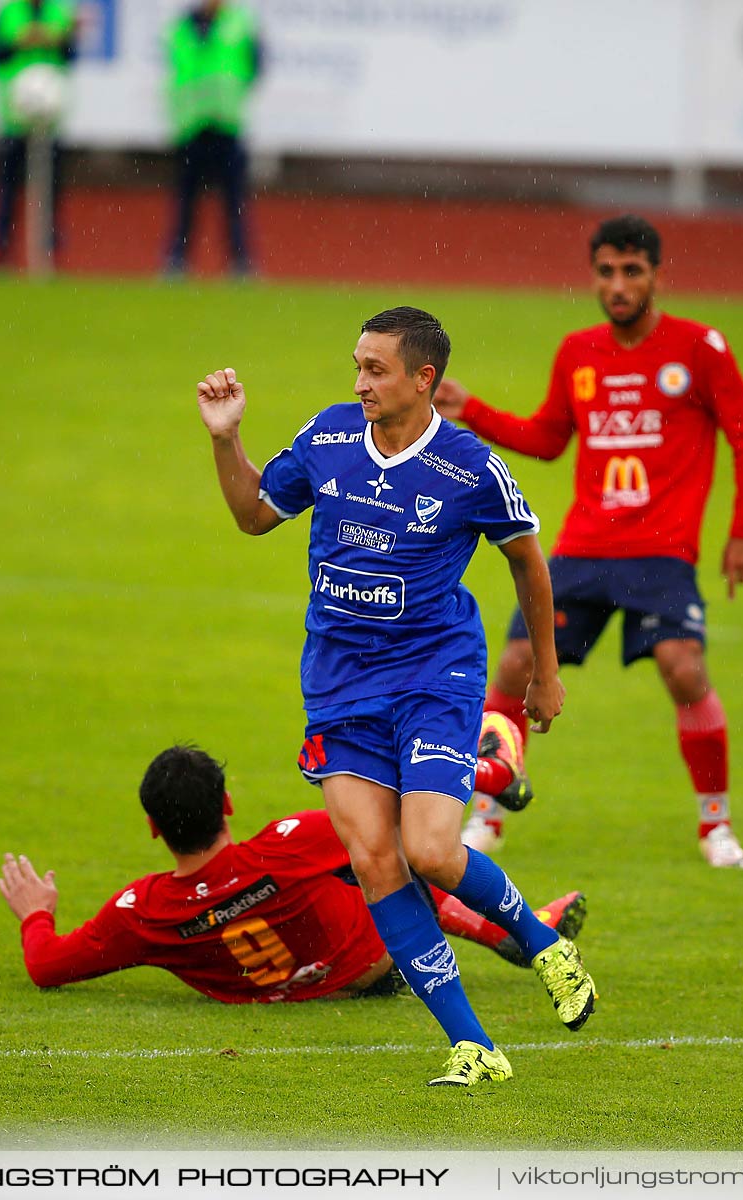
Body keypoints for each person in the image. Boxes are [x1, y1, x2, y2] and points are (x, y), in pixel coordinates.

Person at [195, 306, 596, 1087]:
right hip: (340, 685)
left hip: (434, 674)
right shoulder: (328, 437)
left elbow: (529, 562)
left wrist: (544, 674)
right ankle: (473, 1047)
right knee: (376, 861)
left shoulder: (470, 468)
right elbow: (252, 516)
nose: (360, 383)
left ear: (424, 378)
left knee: (433, 851)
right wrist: (224, 437)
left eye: (376, 370)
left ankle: (546, 948)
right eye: (357, 366)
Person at [433, 215, 743, 870]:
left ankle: (716, 826)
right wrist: (474, 410)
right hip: (584, 550)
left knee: (684, 668)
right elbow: (549, 438)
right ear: (594, 276)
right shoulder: (577, 352)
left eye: (632, 272)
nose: (618, 285)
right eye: (607, 273)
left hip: (663, 551)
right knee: (513, 666)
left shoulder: (700, 348)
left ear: (655, 276)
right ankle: (488, 815)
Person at [0, 745, 589, 1003]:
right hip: (370, 966)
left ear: (154, 828)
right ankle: (507, 930)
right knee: (381, 853)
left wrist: (36, 913)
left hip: (290, 987)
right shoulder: (285, 846)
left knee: (370, 858)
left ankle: (511, 933)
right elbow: (409, 806)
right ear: (226, 806)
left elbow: (46, 966)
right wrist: (487, 775)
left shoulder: (142, 911)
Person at [163, 1, 260, 276]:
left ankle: (240, 262)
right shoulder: (181, 27)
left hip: (226, 122)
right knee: (186, 199)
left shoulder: (240, 22)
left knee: (234, 200)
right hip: (192, 124)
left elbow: (254, 65)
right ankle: (177, 260)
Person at [0, 0, 78, 267]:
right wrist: (21, 40)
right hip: (14, 115)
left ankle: (49, 251)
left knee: (50, 188)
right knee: (8, 187)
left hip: (49, 118)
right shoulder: (8, 13)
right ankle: (1, 250)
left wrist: (54, 39)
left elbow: (70, 55)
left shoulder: (59, 13)